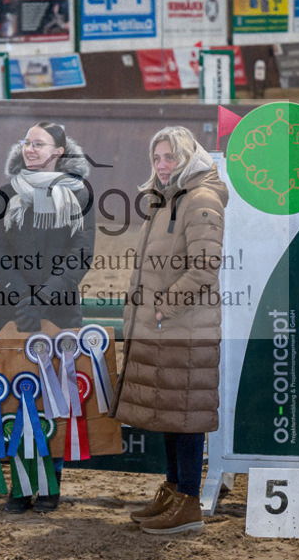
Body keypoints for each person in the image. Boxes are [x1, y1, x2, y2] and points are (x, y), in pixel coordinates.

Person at [111, 126, 227, 535]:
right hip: (165, 328)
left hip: (184, 328)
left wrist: (164, 307)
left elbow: (205, 268)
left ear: (187, 158)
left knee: (186, 415)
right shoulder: (166, 199)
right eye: (157, 158)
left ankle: (188, 502)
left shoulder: (201, 199)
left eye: (170, 157)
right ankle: (174, 491)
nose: (162, 165)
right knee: (170, 411)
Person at [0, 121, 95, 513]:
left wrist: (43, 297)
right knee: (15, 398)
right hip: (14, 311)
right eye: (27, 143)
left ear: (59, 151)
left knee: (55, 401)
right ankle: (19, 485)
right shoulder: (7, 192)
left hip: (59, 311)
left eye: (39, 144)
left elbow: (81, 252)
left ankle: (50, 484)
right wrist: (22, 297)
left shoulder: (80, 193)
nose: (30, 149)